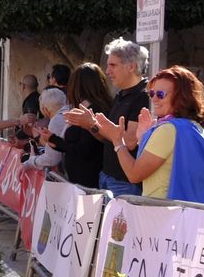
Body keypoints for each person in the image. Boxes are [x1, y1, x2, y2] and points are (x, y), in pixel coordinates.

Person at [98, 66, 204, 202]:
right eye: (151, 94)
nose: (154, 99)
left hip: (162, 214)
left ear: (182, 97)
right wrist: (144, 139)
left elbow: (134, 174)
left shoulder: (168, 130)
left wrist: (117, 141)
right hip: (190, 213)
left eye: (160, 94)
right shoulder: (200, 129)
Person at [64, 38, 149, 196]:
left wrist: (93, 124)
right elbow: (108, 138)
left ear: (131, 66)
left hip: (124, 183)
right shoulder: (121, 95)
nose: (107, 71)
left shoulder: (143, 96)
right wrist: (91, 125)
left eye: (113, 65)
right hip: (107, 176)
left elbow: (129, 142)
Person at [55, 63, 112, 189]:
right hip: (79, 178)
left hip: (87, 180)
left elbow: (85, 149)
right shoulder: (88, 107)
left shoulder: (95, 110)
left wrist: (56, 142)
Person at [23, 88, 69, 171]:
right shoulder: (70, 112)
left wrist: (31, 162)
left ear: (45, 110)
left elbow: (51, 159)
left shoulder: (56, 120)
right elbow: (61, 145)